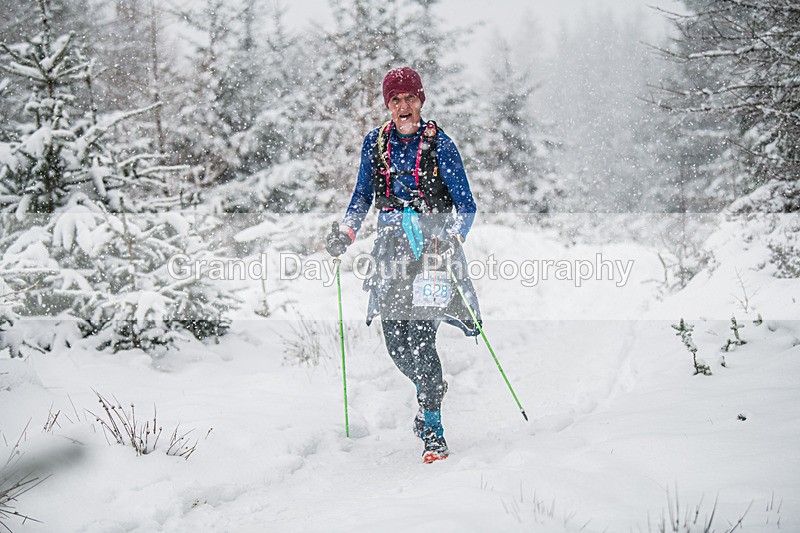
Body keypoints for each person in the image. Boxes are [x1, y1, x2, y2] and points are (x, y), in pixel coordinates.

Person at [326, 66, 481, 464]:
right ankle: (431, 390)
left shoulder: (440, 145)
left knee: (421, 338)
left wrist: (453, 238)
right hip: (391, 253)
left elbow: (466, 206)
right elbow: (362, 197)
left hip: (433, 252)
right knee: (397, 345)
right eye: (395, 100)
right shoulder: (375, 144)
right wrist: (346, 231)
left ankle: (433, 431)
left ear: (421, 100)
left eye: (410, 98)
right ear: (388, 106)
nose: (403, 106)